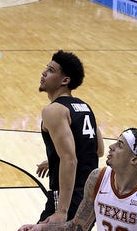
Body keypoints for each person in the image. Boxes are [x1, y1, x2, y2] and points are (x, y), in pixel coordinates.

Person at [19, 128, 137, 231]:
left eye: (120, 145)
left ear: (134, 159)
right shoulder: (97, 178)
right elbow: (77, 227)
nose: (111, 147)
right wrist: (41, 228)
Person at [34, 50, 104, 225]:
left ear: (65, 81)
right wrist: (54, 161)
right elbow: (97, 150)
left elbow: (70, 159)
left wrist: (61, 211)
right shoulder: (84, 107)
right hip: (88, 196)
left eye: (50, 70)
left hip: (67, 197)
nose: (44, 73)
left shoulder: (54, 110)